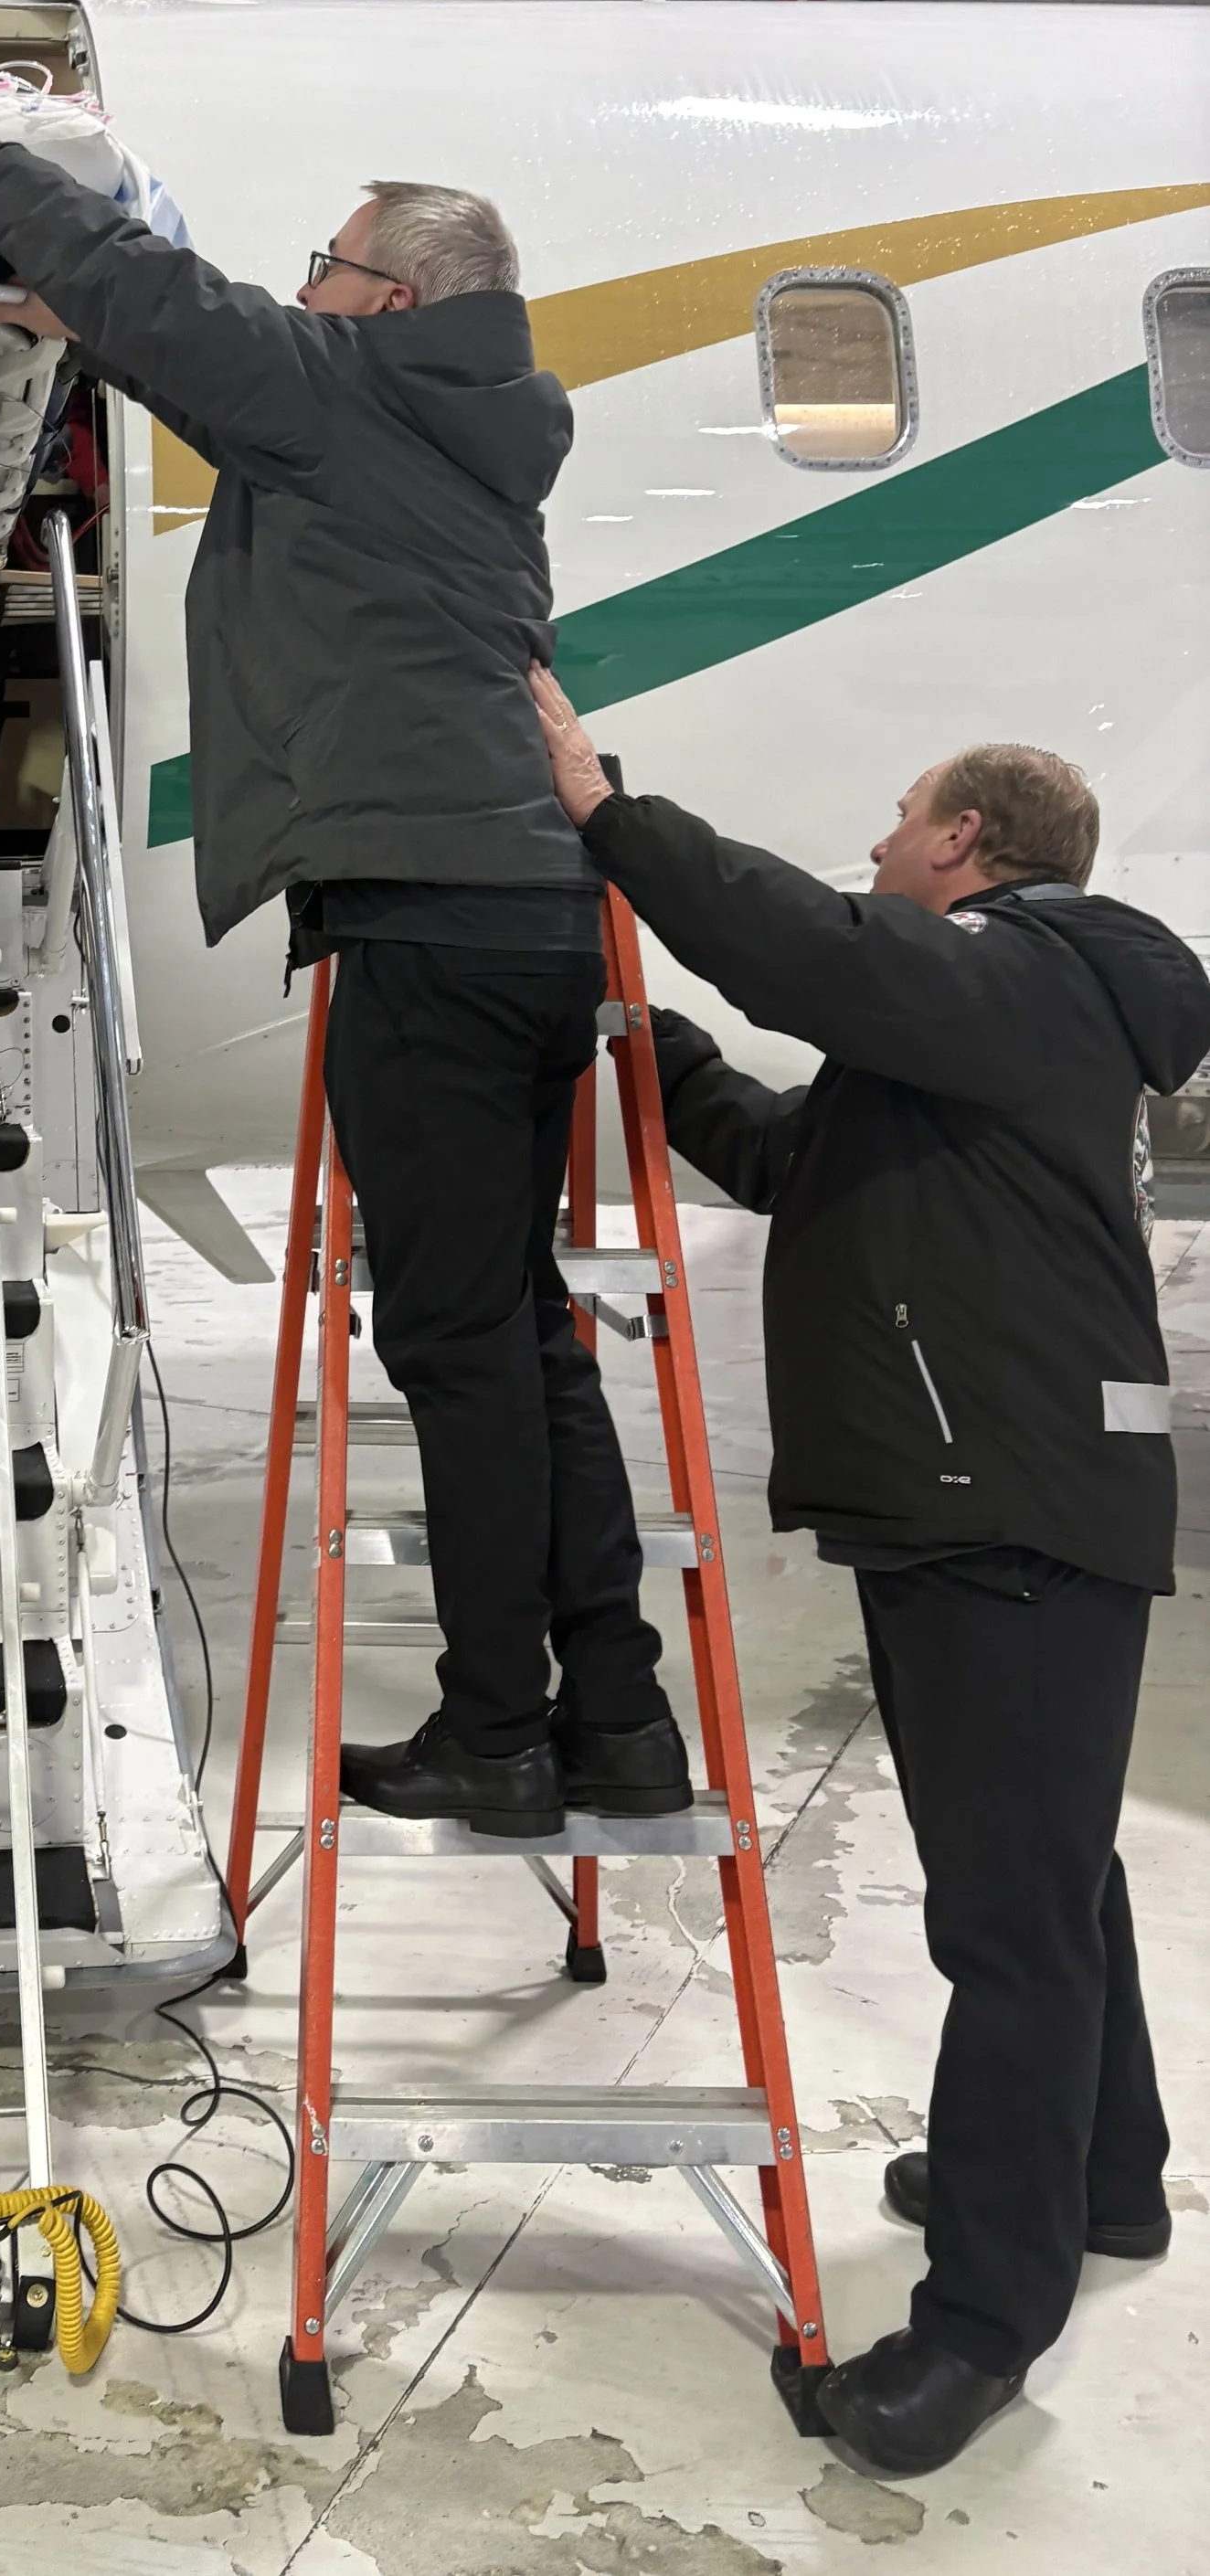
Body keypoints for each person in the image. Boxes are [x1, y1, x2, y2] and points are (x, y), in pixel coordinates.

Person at [0, 113, 684, 1838]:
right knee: (523, 1334)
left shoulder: (356, 388)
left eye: (323, 268)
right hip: (528, 912)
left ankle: (500, 1731)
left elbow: (163, 299)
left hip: (428, 931)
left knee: (461, 1349)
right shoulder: (451, 409)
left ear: (390, 293)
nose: (302, 289)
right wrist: (80, 330)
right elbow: (194, 360)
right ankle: (617, 1720)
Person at [527, 667, 1210, 2476]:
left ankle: (981, 2323)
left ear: (965, 844)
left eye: (899, 820)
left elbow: (803, 943)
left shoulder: (1026, 969)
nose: (873, 843)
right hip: (982, 1493)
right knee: (1047, 1875)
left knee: (1002, 1921)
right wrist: (639, 1037)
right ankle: (1099, 2178)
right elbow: (779, 1149)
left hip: (1008, 1502)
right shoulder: (975, 1027)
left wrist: (608, 810)